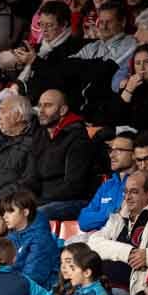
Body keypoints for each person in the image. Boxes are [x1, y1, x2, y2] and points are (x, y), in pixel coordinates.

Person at [24, 89, 96, 221]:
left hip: (73, 201)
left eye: (48, 105)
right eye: (40, 105)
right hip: (43, 200)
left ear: (62, 110)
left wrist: (38, 202)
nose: (41, 110)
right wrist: (25, 200)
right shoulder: (40, 135)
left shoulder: (77, 138)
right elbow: (30, 177)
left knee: (33, 215)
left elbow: (73, 186)